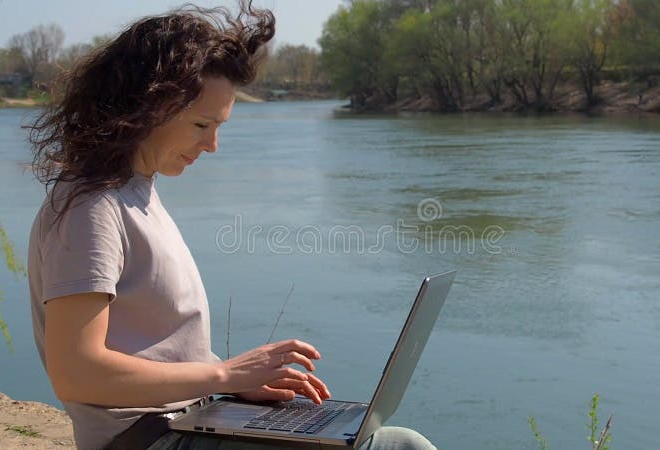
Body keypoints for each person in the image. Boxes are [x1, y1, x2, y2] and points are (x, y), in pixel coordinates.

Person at [26, 3, 436, 450]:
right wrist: (227, 374)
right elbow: (76, 374)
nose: (212, 145)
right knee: (401, 446)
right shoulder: (92, 208)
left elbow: (152, 347)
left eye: (218, 126)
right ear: (149, 107)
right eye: (202, 124)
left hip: (188, 420)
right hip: (148, 439)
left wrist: (237, 385)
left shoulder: (133, 191)